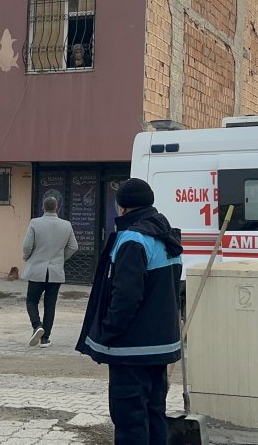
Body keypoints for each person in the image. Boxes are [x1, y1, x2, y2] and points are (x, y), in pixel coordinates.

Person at [76, 178, 183, 445]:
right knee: (154, 413)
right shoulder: (165, 235)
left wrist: (108, 331)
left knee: (130, 419)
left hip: (131, 349)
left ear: (122, 207)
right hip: (160, 346)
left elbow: (126, 296)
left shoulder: (133, 239)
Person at [21, 197, 78, 348]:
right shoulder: (66, 225)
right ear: (57, 208)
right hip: (55, 271)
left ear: (43, 207)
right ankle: (45, 338)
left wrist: (27, 258)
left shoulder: (35, 223)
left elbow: (27, 246)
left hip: (37, 270)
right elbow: (74, 246)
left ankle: (37, 325)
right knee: (50, 305)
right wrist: (60, 258)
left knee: (32, 300)